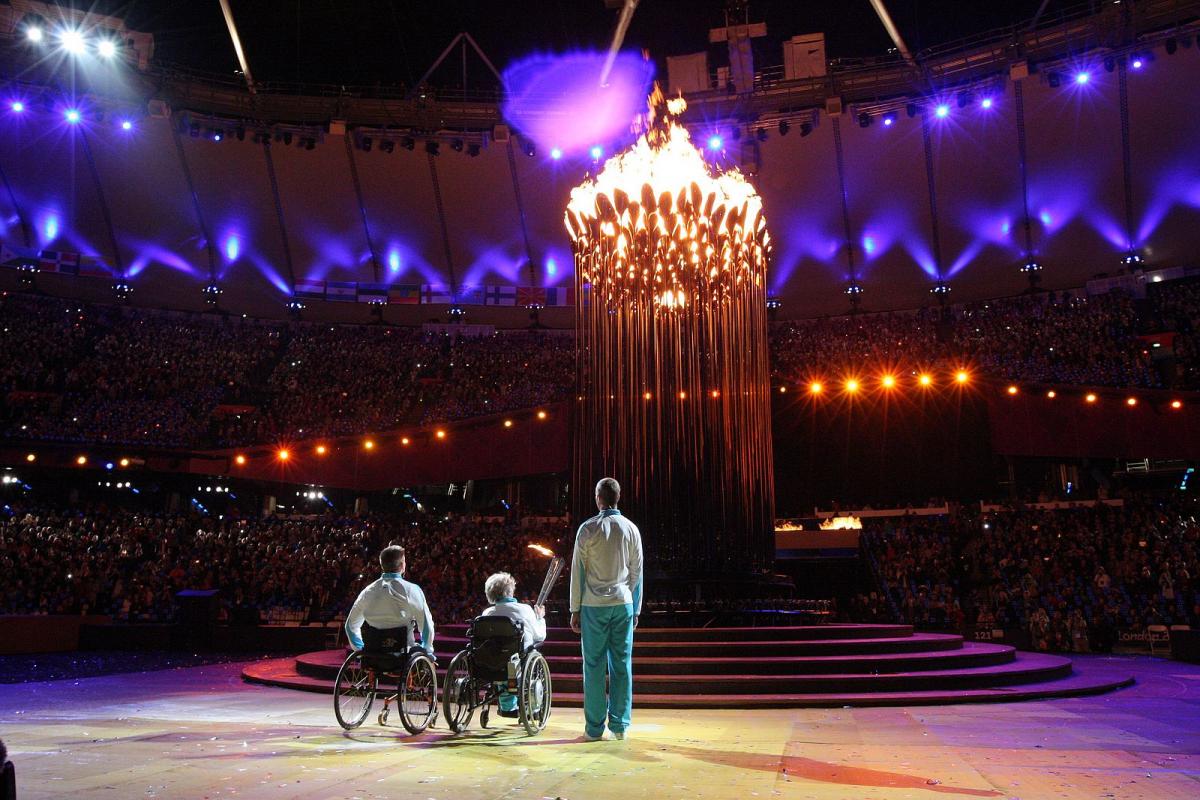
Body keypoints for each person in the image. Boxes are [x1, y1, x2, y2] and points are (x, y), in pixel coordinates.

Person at [569, 477, 643, 741]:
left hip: (592, 605)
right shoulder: (631, 529)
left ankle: (594, 728)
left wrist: (574, 607)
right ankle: (620, 725)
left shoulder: (587, 529)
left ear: (598, 497)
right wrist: (634, 608)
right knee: (622, 664)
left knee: (594, 666)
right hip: (622, 604)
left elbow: (578, 571)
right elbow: (637, 572)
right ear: (618, 497)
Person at [344, 544, 435, 655]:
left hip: (374, 654)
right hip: (404, 654)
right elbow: (426, 625)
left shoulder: (367, 592)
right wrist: (428, 650)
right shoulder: (411, 590)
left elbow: (350, 627)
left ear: (382, 565)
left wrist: (360, 649)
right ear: (402, 565)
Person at [480, 571, 547, 718]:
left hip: (492, 662)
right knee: (521, 656)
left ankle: (507, 707)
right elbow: (540, 635)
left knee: (501, 662)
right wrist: (540, 618)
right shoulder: (524, 610)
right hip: (517, 662)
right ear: (510, 591)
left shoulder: (486, 614)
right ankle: (533, 708)